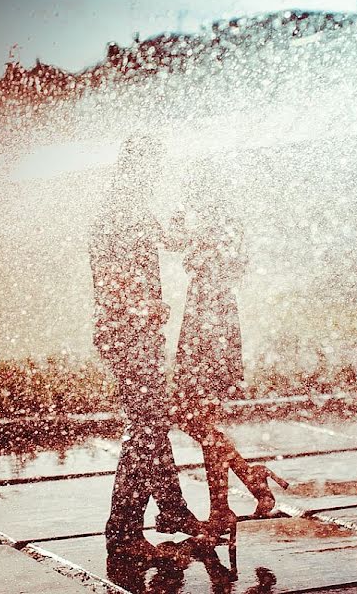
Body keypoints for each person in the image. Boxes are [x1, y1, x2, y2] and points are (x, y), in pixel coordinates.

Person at [89, 135, 207, 560]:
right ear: (139, 169)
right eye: (154, 168)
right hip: (128, 333)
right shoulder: (119, 211)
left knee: (150, 425)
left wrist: (185, 226)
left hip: (135, 333)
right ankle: (125, 532)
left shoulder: (131, 206)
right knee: (145, 429)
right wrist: (144, 305)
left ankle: (171, 511)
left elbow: (172, 242)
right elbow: (109, 277)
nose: (158, 177)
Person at [167, 188, 288, 543]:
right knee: (199, 420)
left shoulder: (209, 231)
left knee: (194, 418)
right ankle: (246, 483)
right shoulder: (224, 229)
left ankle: (227, 503)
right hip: (214, 327)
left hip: (206, 328)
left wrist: (176, 218)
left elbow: (171, 240)